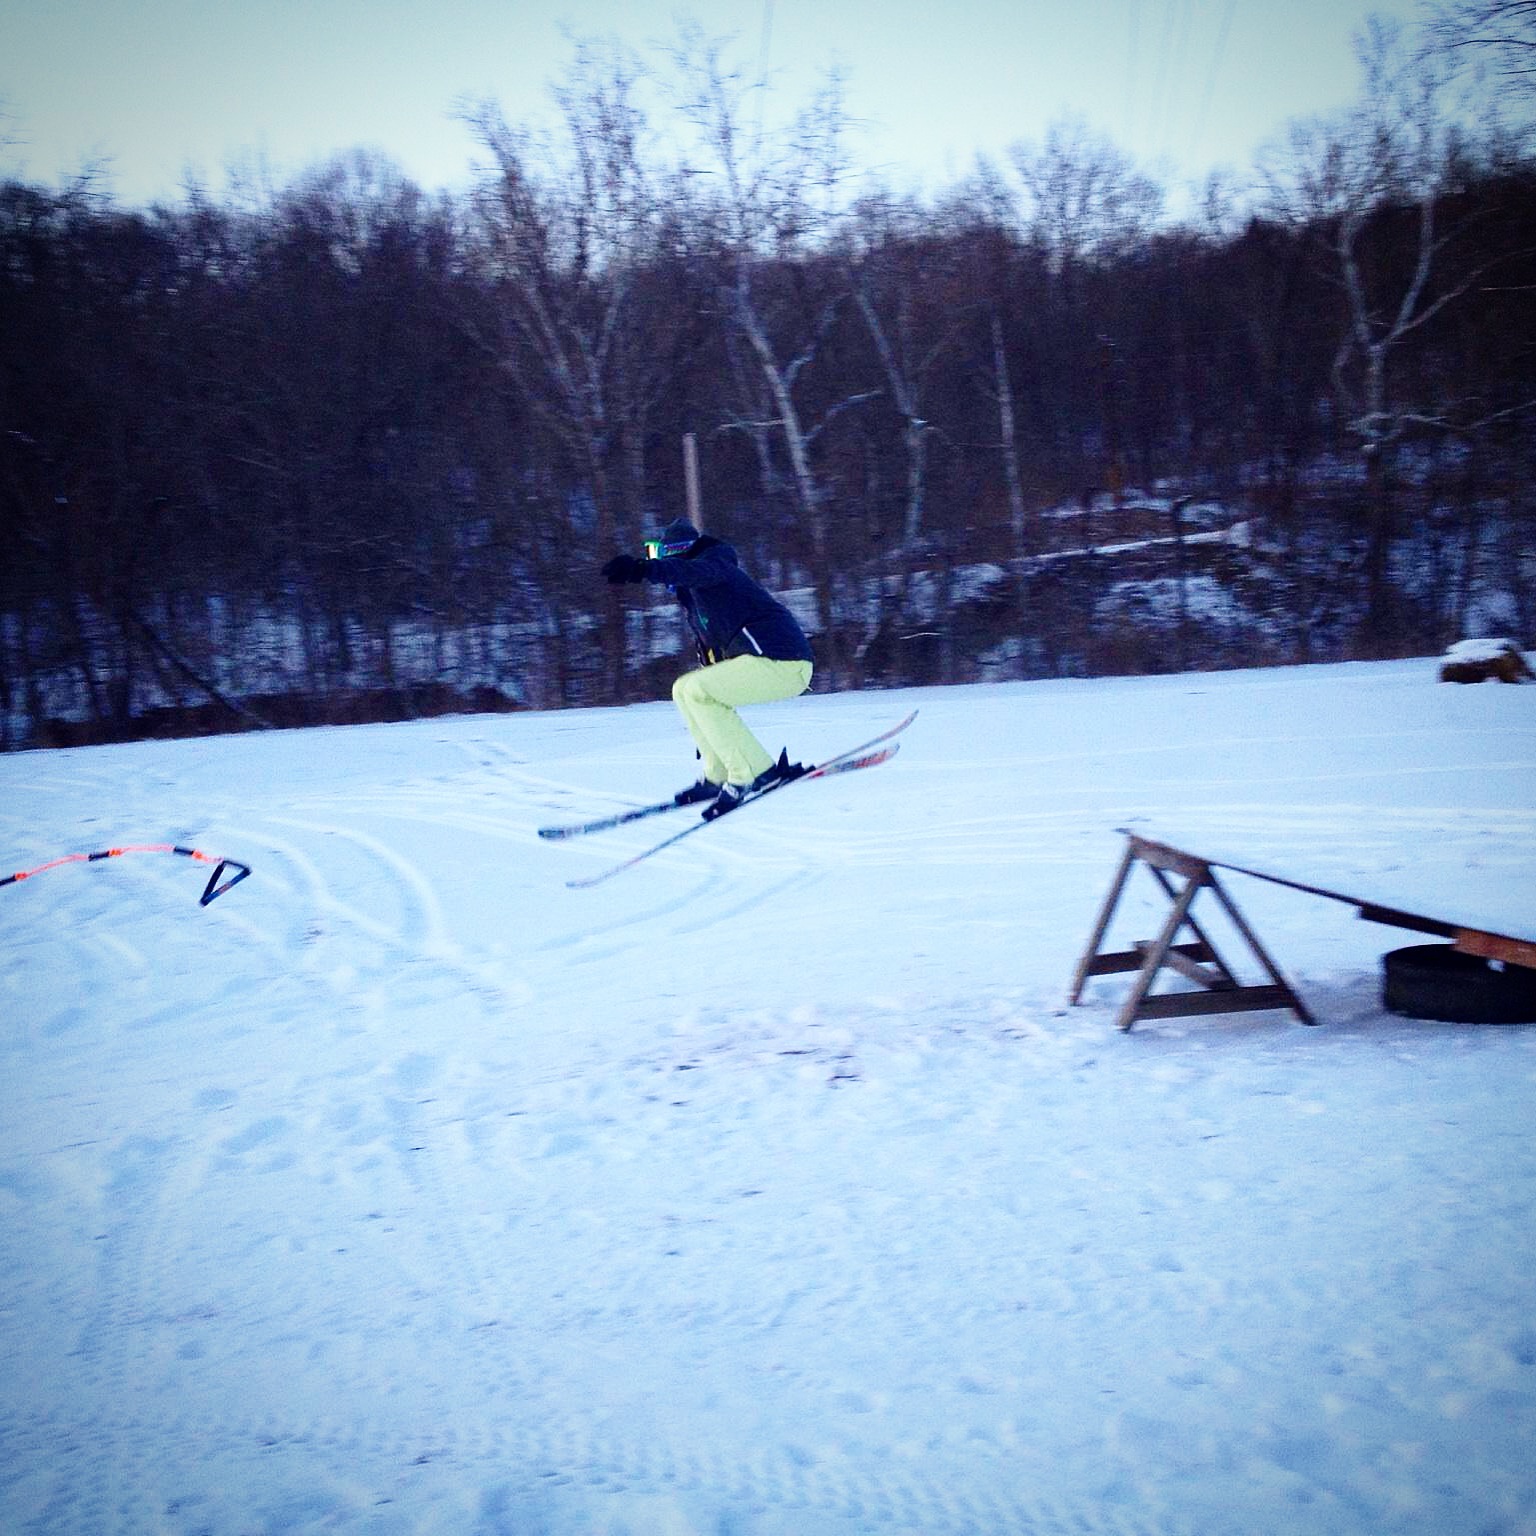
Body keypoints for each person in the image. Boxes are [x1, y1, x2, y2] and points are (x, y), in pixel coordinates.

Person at [602, 517, 813, 819]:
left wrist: (643, 568)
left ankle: (745, 775)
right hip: (763, 662)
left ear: (682, 553)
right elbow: (710, 644)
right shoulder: (696, 599)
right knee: (683, 689)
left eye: (666, 556)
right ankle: (717, 775)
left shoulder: (715, 564)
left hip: (785, 661)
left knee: (700, 691)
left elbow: (693, 571)